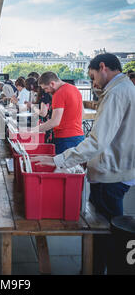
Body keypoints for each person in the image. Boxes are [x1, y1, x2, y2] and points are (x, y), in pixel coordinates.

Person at [33, 53, 135, 274]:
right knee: (106, 228)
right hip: (117, 167)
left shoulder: (116, 94)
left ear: (102, 67)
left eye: (93, 77)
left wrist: (57, 159)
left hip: (111, 172)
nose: (93, 83)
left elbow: (98, 140)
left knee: (104, 231)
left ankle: (98, 269)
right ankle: (96, 268)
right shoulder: (123, 89)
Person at [34, 72, 84, 154]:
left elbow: (54, 122)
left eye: (46, 88)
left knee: (62, 166)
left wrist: (33, 130)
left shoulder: (59, 93)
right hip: (79, 136)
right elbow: (82, 113)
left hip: (65, 139)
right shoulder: (74, 89)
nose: (46, 92)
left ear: (52, 83)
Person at [25, 77, 53, 143]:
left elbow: (43, 113)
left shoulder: (44, 94)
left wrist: (31, 106)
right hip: (46, 123)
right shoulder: (44, 94)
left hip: (47, 124)